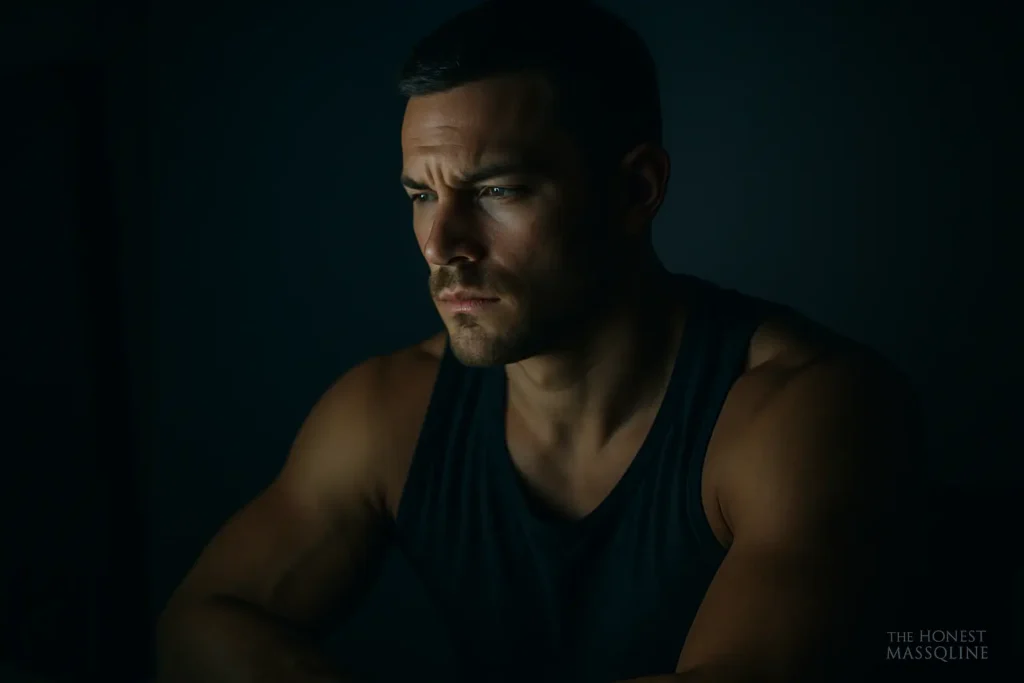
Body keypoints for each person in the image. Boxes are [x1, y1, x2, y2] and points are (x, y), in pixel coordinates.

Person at [155, 1, 917, 681]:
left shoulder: (800, 409)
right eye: (421, 194)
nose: (441, 242)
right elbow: (201, 621)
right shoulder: (388, 411)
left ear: (635, 190)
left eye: (496, 190)